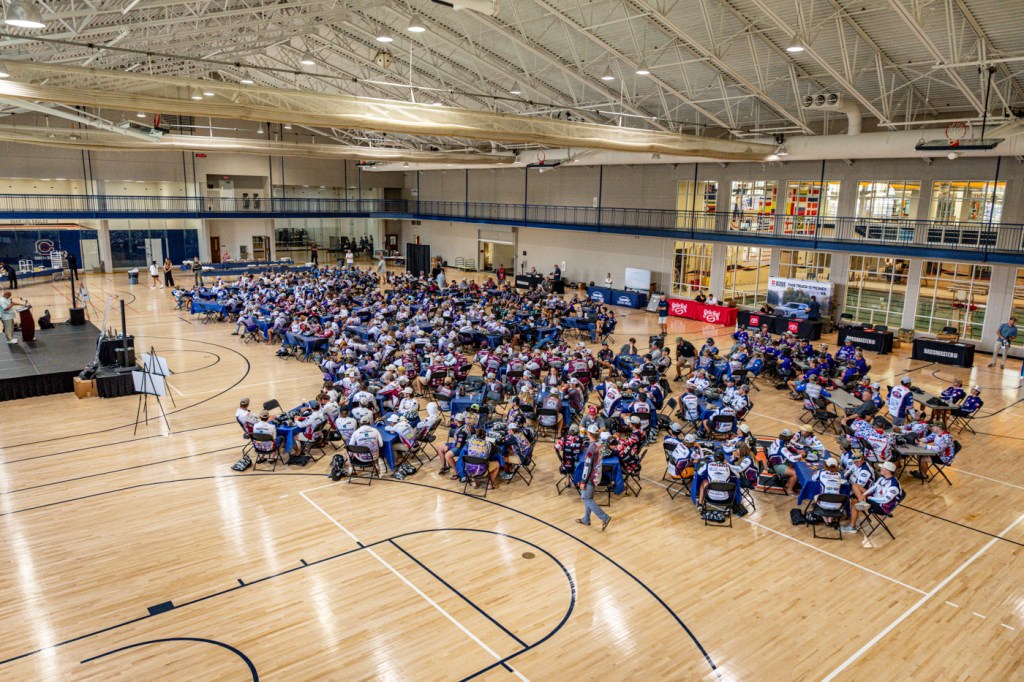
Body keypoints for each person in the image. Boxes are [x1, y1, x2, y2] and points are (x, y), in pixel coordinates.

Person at [843, 461, 902, 533]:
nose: (880, 468)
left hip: (882, 506)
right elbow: (873, 487)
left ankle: (852, 527)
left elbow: (885, 500)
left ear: (887, 471)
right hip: (874, 497)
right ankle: (862, 501)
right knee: (855, 486)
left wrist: (869, 498)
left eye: (882, 468)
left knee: (854, 502)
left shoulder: (894, 485)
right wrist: (864, 495)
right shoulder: (882, 478)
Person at [577, 426, 611, 530]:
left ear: (588, 433)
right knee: (588, 497)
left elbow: (587, 466)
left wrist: (583, 481)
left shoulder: (591, 448)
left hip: (591, 476)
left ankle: (604, 517)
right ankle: (586, 519)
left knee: (586, 498)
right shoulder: (599, 444)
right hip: (597, 475)